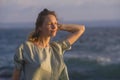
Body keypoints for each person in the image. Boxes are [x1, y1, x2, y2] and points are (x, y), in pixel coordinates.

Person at [12, 8, 85, 80]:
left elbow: (81, 29)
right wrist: (55, 26)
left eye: (55, 23)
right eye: (50, 24)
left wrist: (59, 26)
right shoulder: (26, 48)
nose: (53, 26)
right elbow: (15, 77)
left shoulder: (57, 48)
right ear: (40, 27)